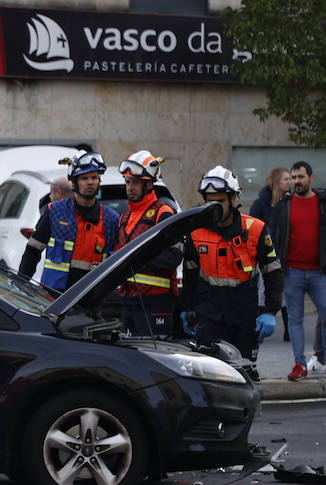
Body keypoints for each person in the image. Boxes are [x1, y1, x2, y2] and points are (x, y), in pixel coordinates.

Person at [181, 166, 281, 362]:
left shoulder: (256, 230)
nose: (214, 208)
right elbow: (189, 273)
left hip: (244, 315)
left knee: (245, 373)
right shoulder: (196, 231)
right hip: (209, 314)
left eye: (219, 201)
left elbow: (273, 273)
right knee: (209, 374)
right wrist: (187, 308)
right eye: (210, 202)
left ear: (233, 199)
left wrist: (270, 311)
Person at [18, 151, 120, 291]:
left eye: (94, 177)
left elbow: (116, 261)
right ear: (74, 182)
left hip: (90, 298)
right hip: (53, 296)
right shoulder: (55, 211)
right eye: (84, 178)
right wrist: (20, 284)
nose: (90, 182)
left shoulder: (111, 219)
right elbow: (32, 251)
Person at [268, 161, 326, 380]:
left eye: (301, 177)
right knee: (294, 319)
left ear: (310, 178)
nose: (297, 182)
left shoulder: (322, 203)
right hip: (292, 272)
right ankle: (299, 365)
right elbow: (273, 236)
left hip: (319, 272)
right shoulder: (283, 206)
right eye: (293, 177)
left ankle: (322, 359)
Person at [113, 151, 178, 336]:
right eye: (127, 182)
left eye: (135, 182)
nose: (130, 187)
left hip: (155, 302)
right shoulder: (124, 217)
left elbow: (173, 257)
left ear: (149, 184)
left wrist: (137, 258)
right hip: (127, 301)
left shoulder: (163, 213)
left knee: (155, 357)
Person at [249, 167, 293, 342]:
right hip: (266, 254)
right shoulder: (261, 203)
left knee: (286, 293)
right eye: (286, 179)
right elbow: (253, 226)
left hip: (285, 253)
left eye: (290, 179)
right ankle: (260, 327)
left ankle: (289, 331)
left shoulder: (290, 202)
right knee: (263, 291)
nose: (289, 182)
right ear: (276, 181)